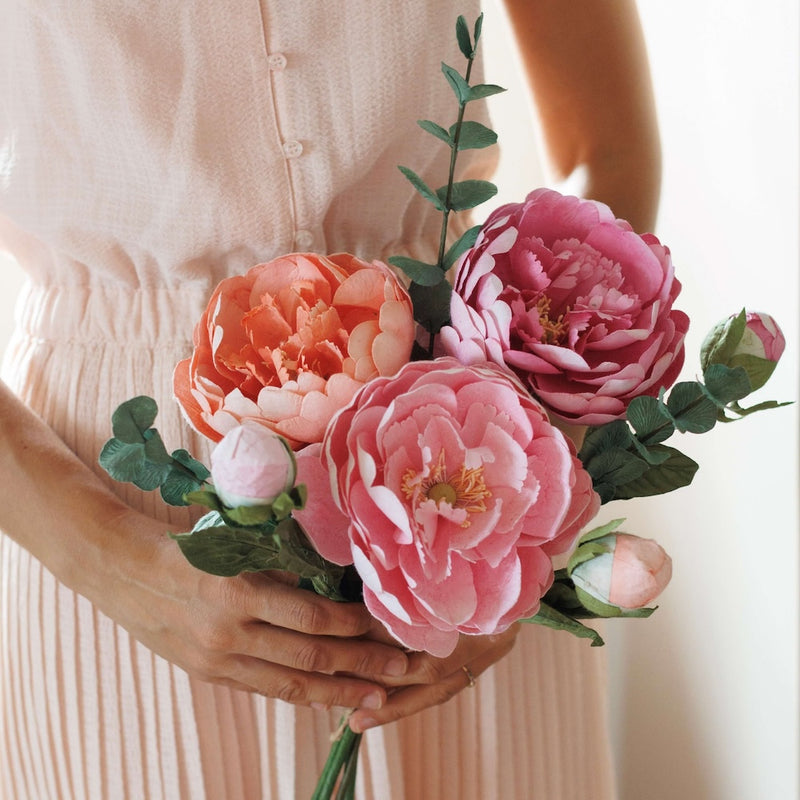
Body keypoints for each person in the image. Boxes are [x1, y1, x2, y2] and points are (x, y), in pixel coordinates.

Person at [0, 1, 659, 797]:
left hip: (468, 466)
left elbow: (606, 148)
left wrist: (533, 490)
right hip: (104, 526)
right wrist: (107, 559)